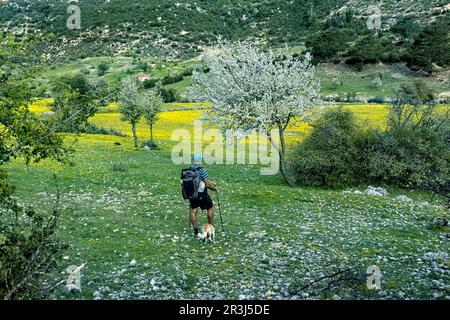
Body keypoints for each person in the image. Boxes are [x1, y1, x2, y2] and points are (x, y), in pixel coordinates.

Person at [189, 154, 218, 238]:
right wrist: (214, 189)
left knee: (193, 211)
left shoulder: (188, 170)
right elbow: (207, 184)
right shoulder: (202, 170)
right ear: (200, 161)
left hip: (192, 194)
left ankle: (195, 232)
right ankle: (210, 227)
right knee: (210, 207)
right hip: (202, 194)